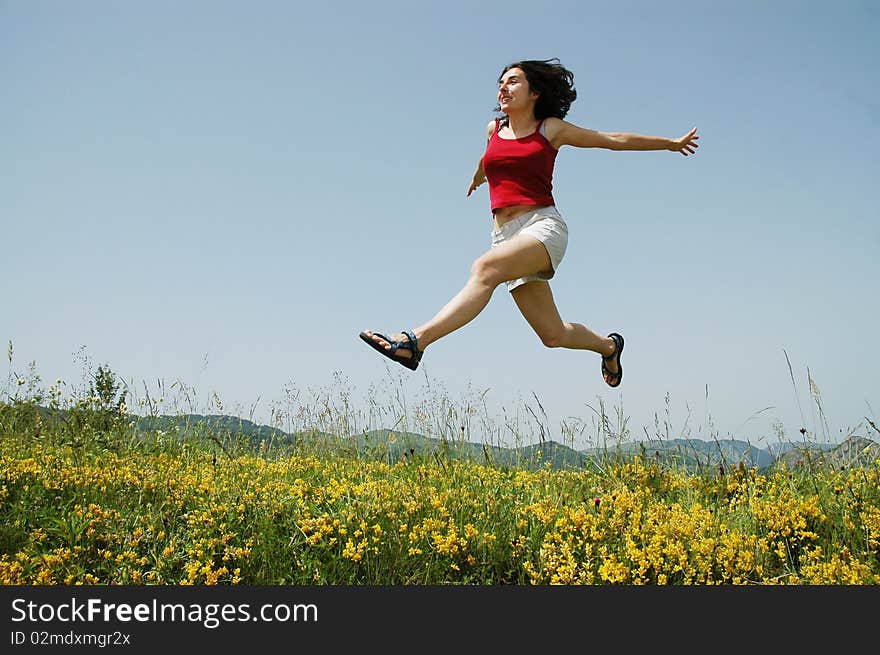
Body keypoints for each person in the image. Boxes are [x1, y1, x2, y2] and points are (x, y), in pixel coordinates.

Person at [360, 58, 699, 388]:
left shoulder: (549, 129)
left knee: (484, 269)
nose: (503, 89)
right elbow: (489, 157)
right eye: (500, 84)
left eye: (512, 81)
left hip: (542, 227)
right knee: (553, 335)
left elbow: (612, 140)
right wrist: (478, 176)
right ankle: (610, 347)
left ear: (533, 92)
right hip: (504, 237)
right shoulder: (494, 129)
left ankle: (415, 342)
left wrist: (669, 144)